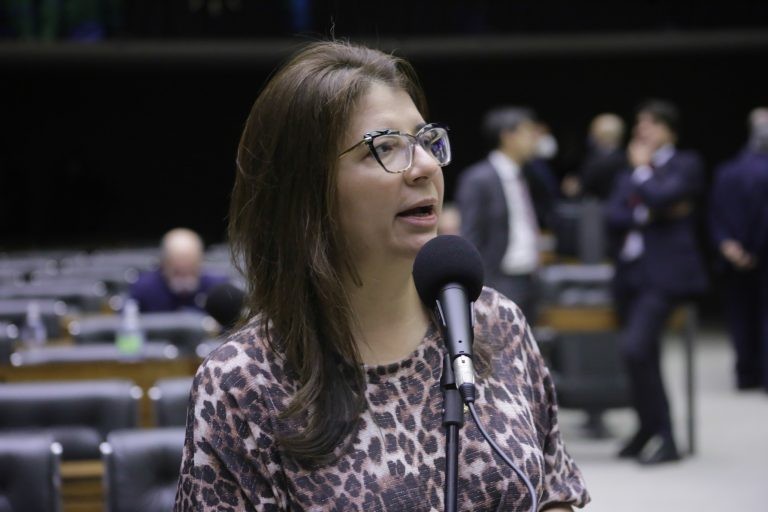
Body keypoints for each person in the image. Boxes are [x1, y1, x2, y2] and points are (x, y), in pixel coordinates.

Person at [174, 41, 589, 511]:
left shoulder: (494, 322)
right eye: (386, 147)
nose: (428, 167)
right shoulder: (241, 382)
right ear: (304, 190)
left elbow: (554, 492)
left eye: (426, 140)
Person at [605, 99, 708, 465]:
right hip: (629, 275)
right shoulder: (629, 171)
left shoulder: (685, 164)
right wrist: (652, 210)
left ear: (669, 130)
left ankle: (667, 437)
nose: (641, 131)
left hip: (664, 275)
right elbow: (613, 215)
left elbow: (665, 195)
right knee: (636, 356)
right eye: (639, 124)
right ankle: (647, 427)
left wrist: (645, 179)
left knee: (637, 348)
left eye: (650, 124)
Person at [456, 107, 548, 323]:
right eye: (527, 132)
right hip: (499, 282)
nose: (534, 139)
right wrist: (481, 288)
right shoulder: (478, 179)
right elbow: (471, 237)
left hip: (530, 279)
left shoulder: (524, 175)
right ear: (508, 137)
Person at [710, 107, 768, 392]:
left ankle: (746, 375)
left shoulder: (727, 171)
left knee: (739, 317)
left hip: (732, 258)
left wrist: (728, 245)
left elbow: (715, 213)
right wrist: (753, 251)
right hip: (761, 255)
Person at [129, 227, 228, 313]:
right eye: (177, 273)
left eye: (191, 272)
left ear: (200, 263)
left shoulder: (217, 289)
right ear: (163, 264)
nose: (185, 281)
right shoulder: (143, 289)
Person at [562, 113, 628, 200]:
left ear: (601, 134)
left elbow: (581, 189)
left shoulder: (597, 162)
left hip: (597, 208)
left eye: (593, 131)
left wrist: (572, 187)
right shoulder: (625, 157)